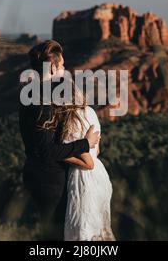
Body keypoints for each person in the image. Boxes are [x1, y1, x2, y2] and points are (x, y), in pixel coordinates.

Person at [19, 40, 100, 240]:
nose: (64, 68)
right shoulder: (42, 101)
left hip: (38, 176)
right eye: (62, 65)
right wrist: (85, 143)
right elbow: (45, 151)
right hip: (49, 181)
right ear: (53, 67)